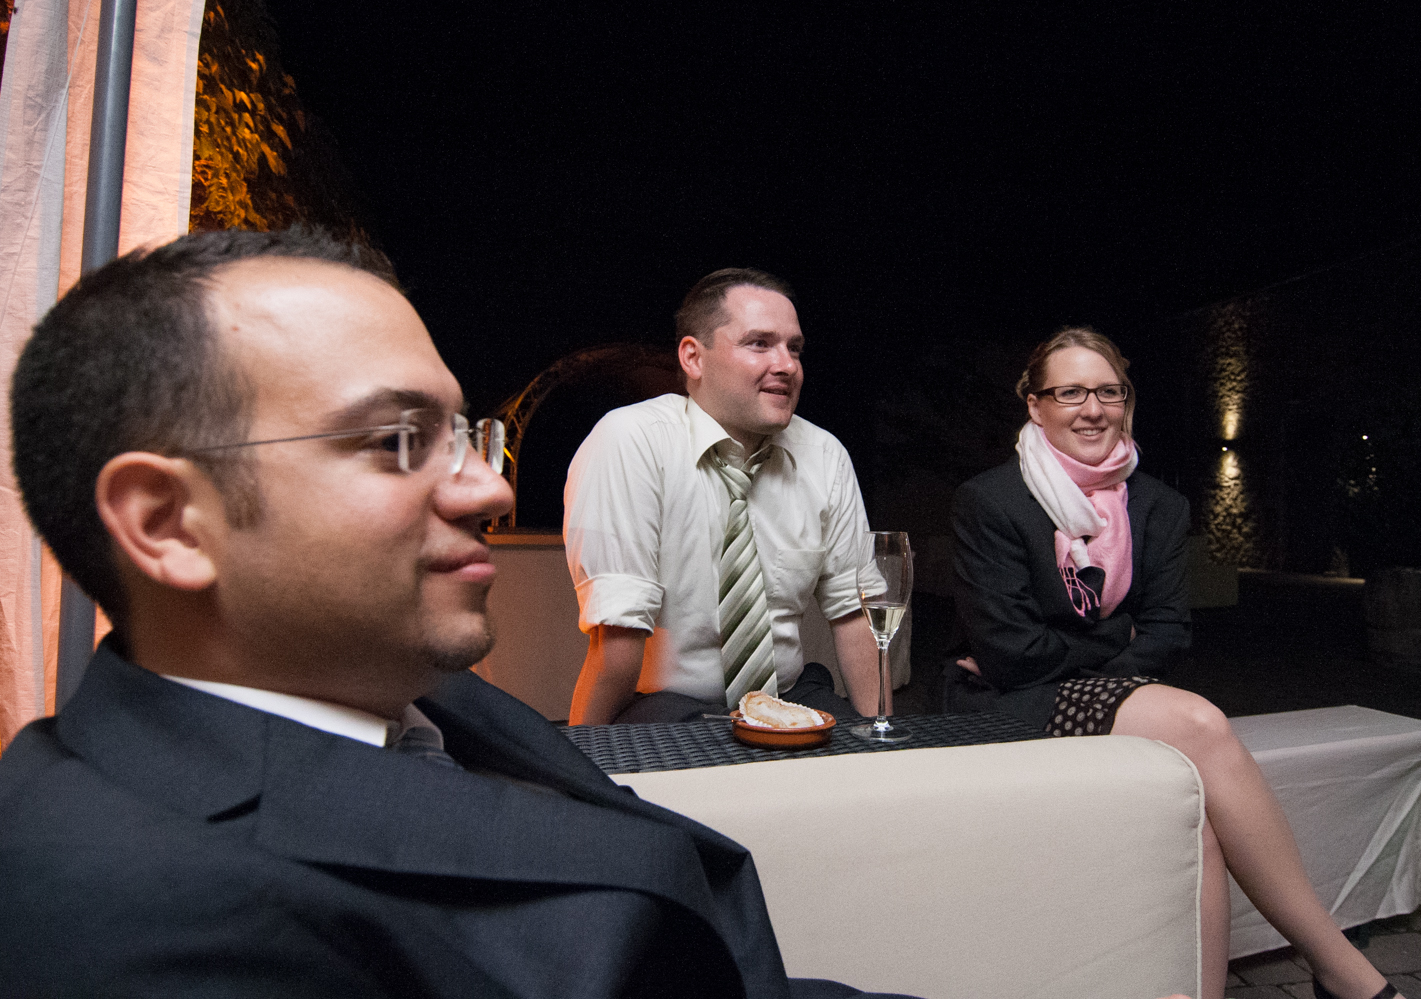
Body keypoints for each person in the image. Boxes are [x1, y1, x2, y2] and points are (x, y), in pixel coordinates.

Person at [0, 230, 917, 999]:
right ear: (167, 522)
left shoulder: (437, 703)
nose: (491, 489)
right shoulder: (138, 915)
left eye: (462, 435)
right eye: (398, 440)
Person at [943, 326, 1401, 999]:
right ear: (1035, 405)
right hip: (1006, 704)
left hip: (1102, 695)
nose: (1092, 409)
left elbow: (1168, 634)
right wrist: (1117, 637)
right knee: (1199, 722)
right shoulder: (992, 500)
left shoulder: (1157, 504)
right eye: (1070, 392)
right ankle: (1342, 972)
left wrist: (1093, 649)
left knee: (1197, 823)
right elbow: (1010, 655)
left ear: (1126, 401)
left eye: (1109, 392)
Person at [564, 268, 882, 725]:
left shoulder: (824, 454)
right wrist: (580, 757)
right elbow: (615, 649)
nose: (787, 365)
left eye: (794, 348)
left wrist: (881, 739)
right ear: (693, 358)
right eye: (759, 343)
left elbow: (856, 617)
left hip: (787, 697)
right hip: (668, 705)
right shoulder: (631, 441)